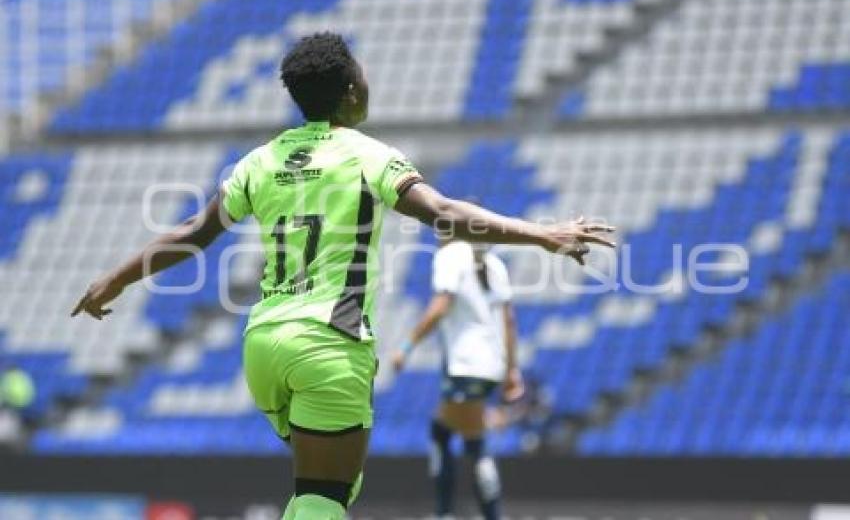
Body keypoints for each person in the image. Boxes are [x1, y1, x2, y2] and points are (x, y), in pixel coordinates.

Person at [71, 32, 615, 520]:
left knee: (332, 488)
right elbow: (444, 213)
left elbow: (193, 230)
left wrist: (115, 278)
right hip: (329, 343)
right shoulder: (366, 155)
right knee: (323, 495)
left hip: (264, 345)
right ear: (352, 91)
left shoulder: (259, 161)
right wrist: (540, 233)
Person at [392, 236, 521, 519]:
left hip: (466, 365)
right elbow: (508, 321)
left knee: (467, 440)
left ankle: (453, 513)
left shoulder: (450, 255)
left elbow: (441, 306)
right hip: (490, 366)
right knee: (451, 432)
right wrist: (511, 370)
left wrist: (406, 346)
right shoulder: (495, 263)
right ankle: (458, 513)